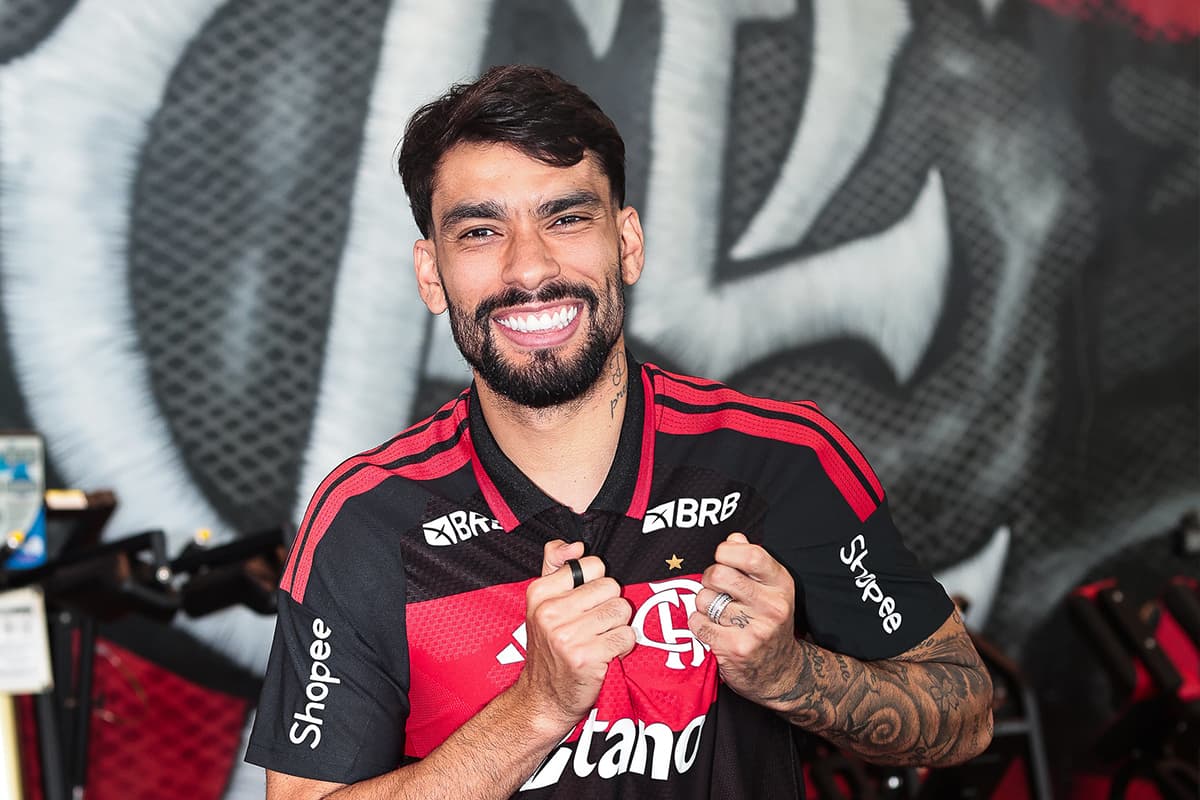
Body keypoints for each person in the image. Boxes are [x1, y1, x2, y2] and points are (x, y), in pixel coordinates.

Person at [246, 64, 993, 799]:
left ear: (627, 244)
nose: (529, 267)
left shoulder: (781, 460)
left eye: (567, 218)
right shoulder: (366, 518)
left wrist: (787, 673)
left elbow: (963, 713)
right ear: (432, 274)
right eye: (479, 230)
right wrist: (535, 708)